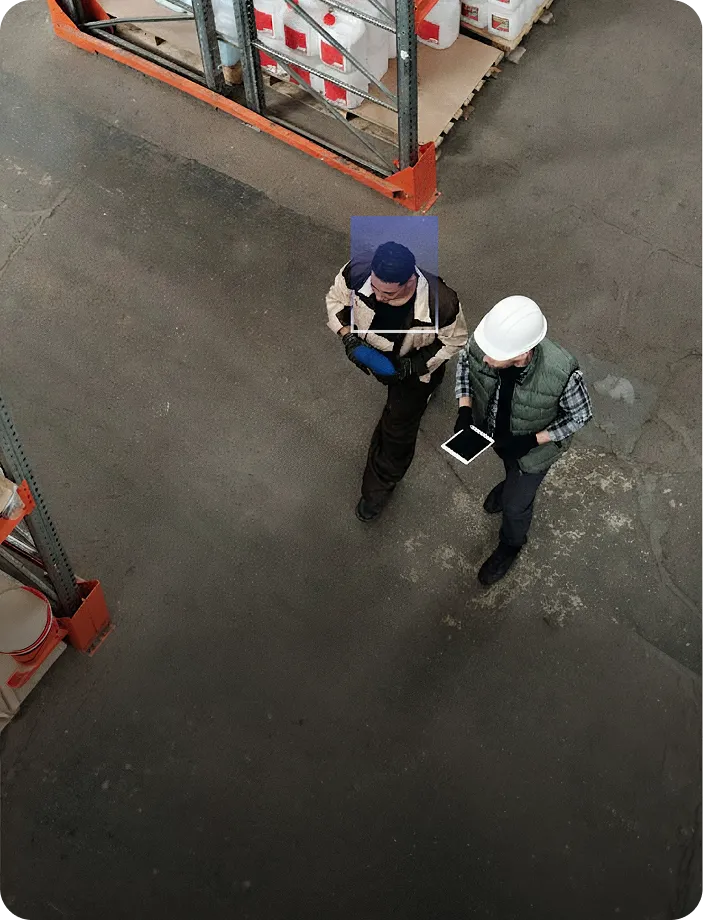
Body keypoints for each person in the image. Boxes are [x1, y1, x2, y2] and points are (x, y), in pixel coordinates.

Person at [454, 295, 592, 585]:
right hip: (500, 438)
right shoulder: (488, 343)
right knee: (509, 467)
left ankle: (511, 545)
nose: (485, 358)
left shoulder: (562, 373)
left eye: (493, 356)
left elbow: (580, 415)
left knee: (517, 507)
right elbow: (465, 363)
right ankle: (509, 484)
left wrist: (533, 440)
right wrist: (465, 408)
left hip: (533, 453)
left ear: (521, 354)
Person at [327, 241, 468, 522]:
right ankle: (431, 382)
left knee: (396, 433)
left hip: (411, 372)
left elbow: (454, 341)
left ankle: (377, 490)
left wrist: (415, 366)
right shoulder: (357, 271)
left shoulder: (443, 303)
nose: (378, 297)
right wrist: (347, 336)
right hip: (374, 355)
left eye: (389, 293)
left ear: (411, 281)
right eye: (375, 288)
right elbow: (335, 300)